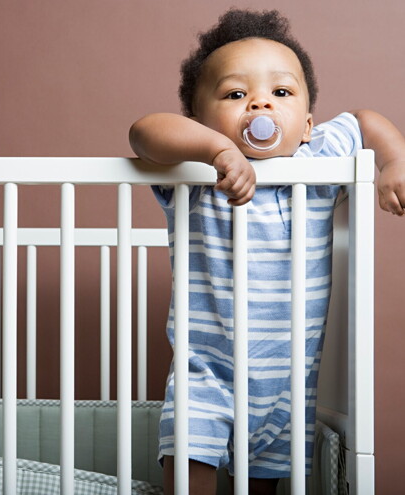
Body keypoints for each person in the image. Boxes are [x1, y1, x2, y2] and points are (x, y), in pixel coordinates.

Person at [129, 8, 405, 495]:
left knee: (268, 485)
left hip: (290, 386)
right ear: (200, 122)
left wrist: (395, 160)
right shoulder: (196, 175)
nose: (260, 105)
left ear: (307, 125)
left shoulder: (317, 159)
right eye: (236, 95)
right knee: (188, 476)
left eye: (281, 93)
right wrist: (216, 152)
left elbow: (365, 121)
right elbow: (143, 132)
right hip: (206, 375)